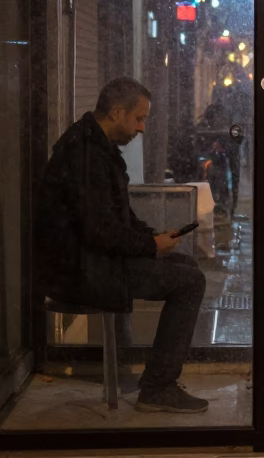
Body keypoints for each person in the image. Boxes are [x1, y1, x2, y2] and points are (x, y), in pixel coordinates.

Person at [36, 77, 209, 413]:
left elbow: (119, 218)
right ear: (117, 112)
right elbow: (100, 231)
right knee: (191, 282)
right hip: (80, 271)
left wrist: (155, 239)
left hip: (92, 261)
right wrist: (148, 245)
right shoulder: (86, 154)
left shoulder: (97, 148)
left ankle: (157, 381)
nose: (142, 128)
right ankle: (158, 387)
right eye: (139, 119)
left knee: (186, 267)